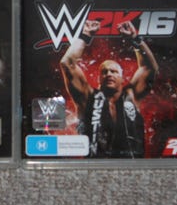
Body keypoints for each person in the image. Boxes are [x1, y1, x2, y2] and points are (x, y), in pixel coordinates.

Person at [59, 20, 159, 158]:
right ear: (99, 79)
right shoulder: (87, 97)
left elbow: (150, 68)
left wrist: (135, 39)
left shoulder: (131, 95)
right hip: (95, 166)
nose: (109, 74)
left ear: (122, 78)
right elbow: (67, 63)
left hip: (132, 165)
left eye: (114, 71)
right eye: (104, 72)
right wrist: (86, 35)